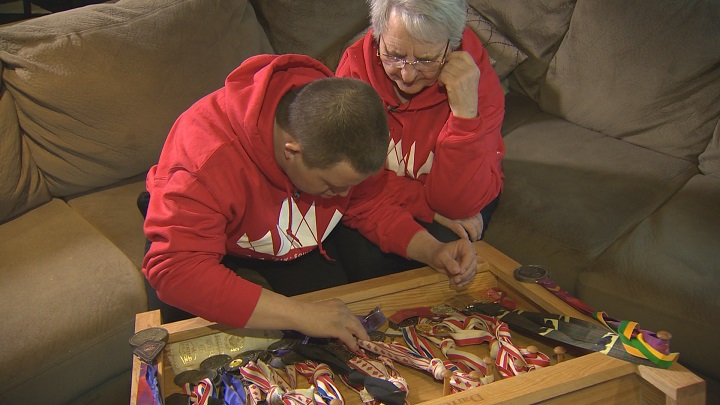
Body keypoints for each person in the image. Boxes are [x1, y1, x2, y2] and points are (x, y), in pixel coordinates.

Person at [141, 53, 479, 350]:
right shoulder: (204, 160)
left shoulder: (340, 131)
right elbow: (175, 271)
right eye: (332, 187)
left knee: (335, 329)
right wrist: (300, 314)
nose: (343, 198)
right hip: (203, 237)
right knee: (191, 353)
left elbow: (368, 204)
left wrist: (432, 250)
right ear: (292, 152)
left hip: (285, 239)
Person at [334, 0, 505, 281]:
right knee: (363, 263)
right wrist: (421, 204)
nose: (407, 74)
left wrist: (464, 116)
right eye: (394, 54)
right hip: (379, 194)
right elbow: (350, 181)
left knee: (448, 258)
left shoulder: (477, 80)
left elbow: (457, 206)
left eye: (426, 60)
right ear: (377, 36)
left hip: (458, 190)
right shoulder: (354, 72)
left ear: (451, 46)